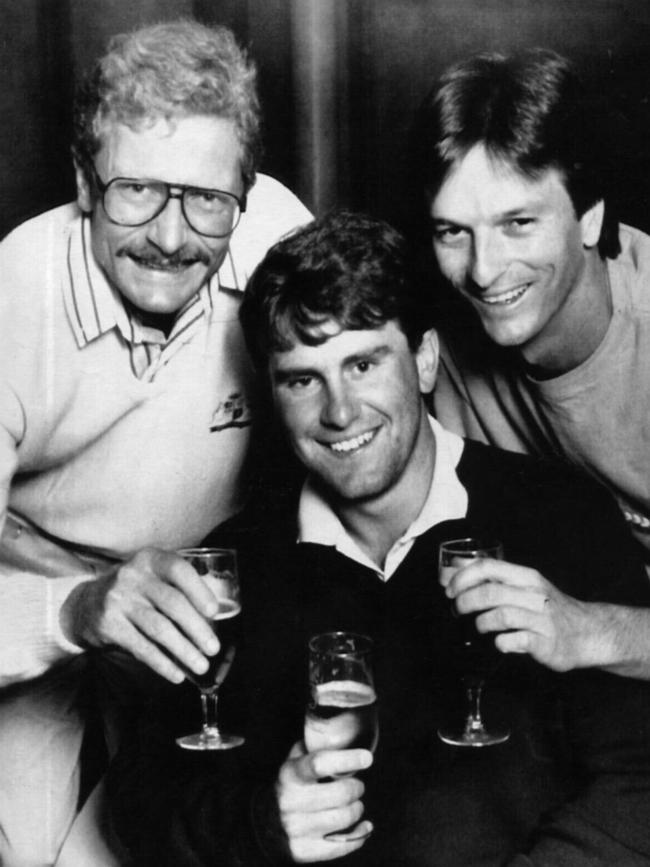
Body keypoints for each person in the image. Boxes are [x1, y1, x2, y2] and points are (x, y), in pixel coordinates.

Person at [107, 211, 650, 867]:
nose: (339, 411)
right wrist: (258, 827)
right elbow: (141, 800)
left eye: (363, 363)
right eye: (303, 379)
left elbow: (636, 780)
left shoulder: (560, 515)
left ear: (424, 360)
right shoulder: (232, 569)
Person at [0, 18, 310, 866]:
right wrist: (79, 607)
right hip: (37, 602)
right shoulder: (9, 297)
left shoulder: (275, 230)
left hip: (208, 605)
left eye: (207, 199)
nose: (172, 239)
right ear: (83, 182)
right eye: (137, 190)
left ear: (243, 191)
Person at [411, 48, 650, 679]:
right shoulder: (445, 341)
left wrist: (592, 630)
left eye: (518, 223)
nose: (484, 272)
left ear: (590, 217)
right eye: (452, 232)